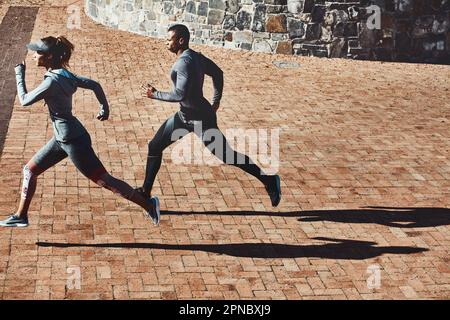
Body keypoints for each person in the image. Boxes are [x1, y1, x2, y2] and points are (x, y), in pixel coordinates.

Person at [0, 36, 159, 228]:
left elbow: (24, 100)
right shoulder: (66, 75)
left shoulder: (51, 82)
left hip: (73, 141)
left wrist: (19, 74)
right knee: (30, 170)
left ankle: (148, 203)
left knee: (104, 180)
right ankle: (20, 215)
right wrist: (104, 108)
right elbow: (94, 85)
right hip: (62, 138)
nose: (34, 56)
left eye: (38, 52)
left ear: (49, 56)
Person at [138, 24, 281, 219]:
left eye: (169, 39)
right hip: (183, 117)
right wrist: (216, 101)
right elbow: (218, 73)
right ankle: (145, 194)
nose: (166, 42)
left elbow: (180, 94)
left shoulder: (184, 63)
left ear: (181, 40)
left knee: (228, 156)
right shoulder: (197, 57)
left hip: (201, 122)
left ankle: (270, 180)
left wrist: (154, 94)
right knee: (154, 146)